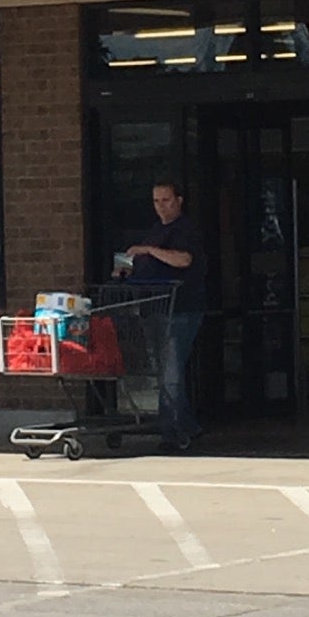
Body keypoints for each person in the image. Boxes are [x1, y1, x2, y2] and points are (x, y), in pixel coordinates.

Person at [121, 181, 207, 450]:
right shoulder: (156, 231)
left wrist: (148, 250)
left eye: (166, 200)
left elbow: (183, 260)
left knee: (170, 373)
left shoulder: (185, 229)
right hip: (155, 310)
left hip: (181, 309)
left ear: (179, 200)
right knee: (166, 372)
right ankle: (188, 425)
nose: (161, 206)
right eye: (156, 201)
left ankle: (171, 431)